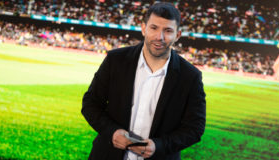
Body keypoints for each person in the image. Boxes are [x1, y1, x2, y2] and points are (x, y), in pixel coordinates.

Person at [82, 2, 206, 160]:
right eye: (154, 28)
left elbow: (195, 128)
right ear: (143, 28)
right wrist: (112, 131)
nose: (159, 37)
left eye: (168, 31)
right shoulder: (115, 60)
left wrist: (160, 145)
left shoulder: (190, 76)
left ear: (178, 35)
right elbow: (90, 103)